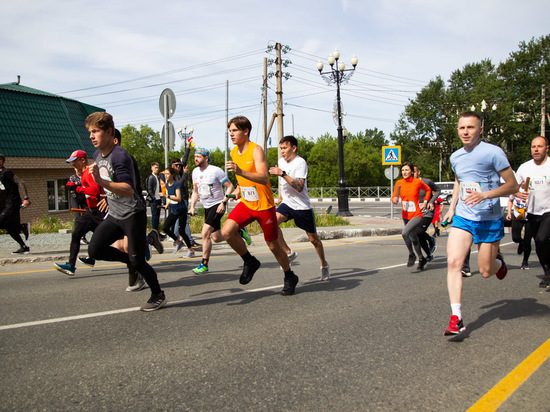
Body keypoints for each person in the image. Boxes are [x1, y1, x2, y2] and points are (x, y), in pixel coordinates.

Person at [442, 111, 518, 335]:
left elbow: (512, 186)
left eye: (470, 128)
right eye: (461, 128)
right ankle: (456, 317)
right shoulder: (455, 157)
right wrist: (452, 208)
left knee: (485, 271)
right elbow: (459, 181)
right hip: (464, 218)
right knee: (454, 262)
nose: (465, 132)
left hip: (489, 218)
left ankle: (499, 264)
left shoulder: (493, 153)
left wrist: (485, 195)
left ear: (480, 130)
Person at [86, 112, 166, 311]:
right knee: (95, 250)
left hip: (132, 214)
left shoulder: (121, 156)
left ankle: (158, 294)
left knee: (138, 260)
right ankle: (131, 261)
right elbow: (107, 182)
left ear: (109, 132)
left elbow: (128, 189)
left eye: (95, 131)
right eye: (90, 132)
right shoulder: (97, 155)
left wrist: (101, 182)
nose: (91, 136)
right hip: (114, 214)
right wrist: (103, 193)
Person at [221, 116, 299, 295]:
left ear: (245, 131)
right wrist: (238, 191)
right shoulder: (234, 152)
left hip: (264, 205)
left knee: (272, 245)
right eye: (230, 131)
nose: (231, 134)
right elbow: (242, 180)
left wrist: (240, 171)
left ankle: (289, 276)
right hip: (247, 203)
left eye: (234, 130)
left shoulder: (256, 150)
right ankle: (249, 261)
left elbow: (264, 177)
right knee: (226, 232)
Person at [268, 135, 330, 280]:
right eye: (281, 148)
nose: (282, 151)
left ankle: (324, 264)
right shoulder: (280, 162)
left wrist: (282, 174)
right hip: (287, 204)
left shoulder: (300, 162)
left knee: (314, 240)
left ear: (294, 148)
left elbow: (299, 187)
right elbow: (283, 185)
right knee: (272, 223)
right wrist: (281, 197)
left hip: (302, 207)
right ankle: (289, 252)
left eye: (285, 148)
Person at [189, 147, 247, 274]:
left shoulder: (215, 171)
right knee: (215, 237)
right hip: (206, 206)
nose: (195, 159)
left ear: (206, 158)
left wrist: (223, 202)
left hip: (217, 205)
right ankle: (237, 230)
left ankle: (204, 264)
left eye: (198, 157)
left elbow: (230, 186)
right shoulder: (195, 172)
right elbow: (195, 191)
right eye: (194, 157)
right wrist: (192, 206)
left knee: (204, 233)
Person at [53, 150, 105, 276]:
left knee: (116, 239)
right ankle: (71, 265)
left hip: (99, 211)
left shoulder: (90, 172)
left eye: (74, 162)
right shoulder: (84, 174)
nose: (73, 165)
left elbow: (94, 191)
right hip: (90, 212)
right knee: (76, 234)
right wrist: (75, 187)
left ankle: (146, 242)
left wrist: (76, 188)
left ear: (82, 160)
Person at [515, 136, 550, 288]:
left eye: (539, 146)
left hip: (548, 211)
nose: (536, 149)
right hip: (532, 213)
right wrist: (518, 194)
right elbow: (513, 186)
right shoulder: (525, 167)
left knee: (542, 239)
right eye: (533, 147)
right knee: (539, 245)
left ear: (546, 148)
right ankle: (547, 272)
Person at [391, 162, 432, 270]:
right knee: (413, 238)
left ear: (412, 172)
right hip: (405, 214)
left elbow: (428, 189)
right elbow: (394, 197)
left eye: (407, 170)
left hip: (416, 214)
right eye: (403, 170)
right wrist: (394, 200)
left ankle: (411, 254)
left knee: (405, 233)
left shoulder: (417, 182)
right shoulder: (399, 183)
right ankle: (421, 259)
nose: (404, 172)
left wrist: (426, 201)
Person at [0, 154, 31, 254]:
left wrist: (26, 198)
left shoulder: (7, 173)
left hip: (13, 202)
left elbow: (21, 182)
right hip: (5, 203)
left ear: (1, 161)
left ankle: (22, 227)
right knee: (9, 227)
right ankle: (24, 246)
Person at [162, 166, 195, 257]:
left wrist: (166, 197)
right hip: (173, 210)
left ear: (172, 175)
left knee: (182, 231)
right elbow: (171, 196)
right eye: (165, 174)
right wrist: (167, 205)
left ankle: (190, 250)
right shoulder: (167, 185)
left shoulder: (176, 185)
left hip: (181, 211)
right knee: (165, 228)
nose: (166, 176)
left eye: (167, 174)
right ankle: (178, 242)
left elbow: (178, 198)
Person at [413, 165, 440, 263]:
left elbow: (437, 190)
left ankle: (430, 239)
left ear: (418, 172)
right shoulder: (409, 184)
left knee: (419, 232)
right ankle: (428, 254)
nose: (412, 174)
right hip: (415, 212)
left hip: (427, 212)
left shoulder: (427, 182)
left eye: (414, 172)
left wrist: (431, 201)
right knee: (418, 235)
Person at [505, 183, 532, 270]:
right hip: (517, 216)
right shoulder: (515, 190)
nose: (523, 182)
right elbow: (510, 200)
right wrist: (509, 213)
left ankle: (525, 261)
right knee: (515, 238)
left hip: (529, 217)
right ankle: (521, 242)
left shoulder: (532, 190)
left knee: (528, 241)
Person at [145, 162, 162, 233]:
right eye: (155, 168)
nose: (157, 169)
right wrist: (153, 197)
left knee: (157, 217)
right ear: (152, 168)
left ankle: (157, 232)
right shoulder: (151, 177)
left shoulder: (157, 177)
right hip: (154, 200)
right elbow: (149, 189)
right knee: (154, 217)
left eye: (157, 168)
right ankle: (154, 232)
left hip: (158, 199)